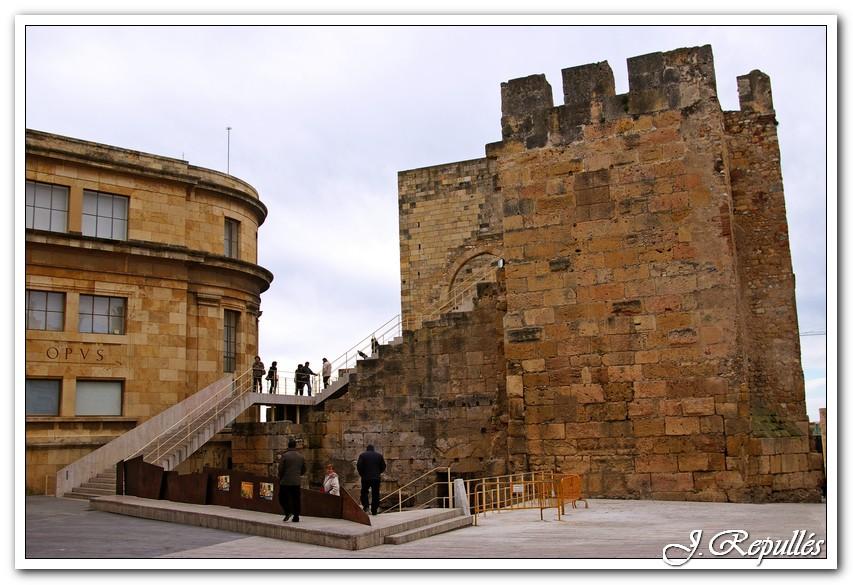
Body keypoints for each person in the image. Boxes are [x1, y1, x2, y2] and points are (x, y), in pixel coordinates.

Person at [278, 438, 306, 522]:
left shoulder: (285, 456)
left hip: (285, 481)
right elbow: (304, 469)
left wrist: (280, 477)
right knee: (296, 499)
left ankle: (288, 511)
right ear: (295, 446)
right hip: (296, 482)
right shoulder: (301, 456)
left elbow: (280, 469)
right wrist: (298, 475)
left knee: (282, 498)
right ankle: (296, 517)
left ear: (288, 446)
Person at [356, 444, 386, 515]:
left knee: (364, 492)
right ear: (373, 449)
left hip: (365, 478)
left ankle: (366, 507)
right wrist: (378, 473)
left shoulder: (362, 455)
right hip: (376, 478)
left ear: (367, 449)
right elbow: (383, 466)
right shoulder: (379, 456)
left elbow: (359, 466)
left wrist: (362, 474)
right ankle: (374, 510)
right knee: (375, 494)